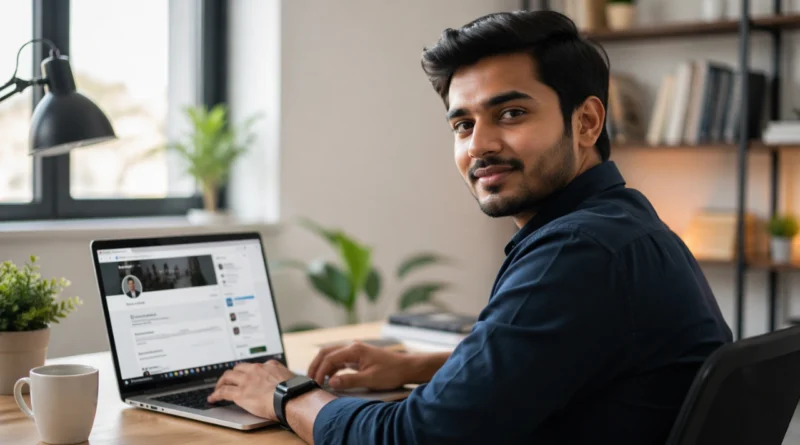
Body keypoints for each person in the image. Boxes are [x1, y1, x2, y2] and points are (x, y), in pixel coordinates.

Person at [207, 10, 733, 444]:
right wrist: (416, 366)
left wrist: (286, 394)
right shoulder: (623, 222)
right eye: (463, 124)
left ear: (587, 122)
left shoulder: (579, 248)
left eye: (510, 114)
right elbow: (560, 362)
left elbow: (415, 439)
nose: (478, 145)